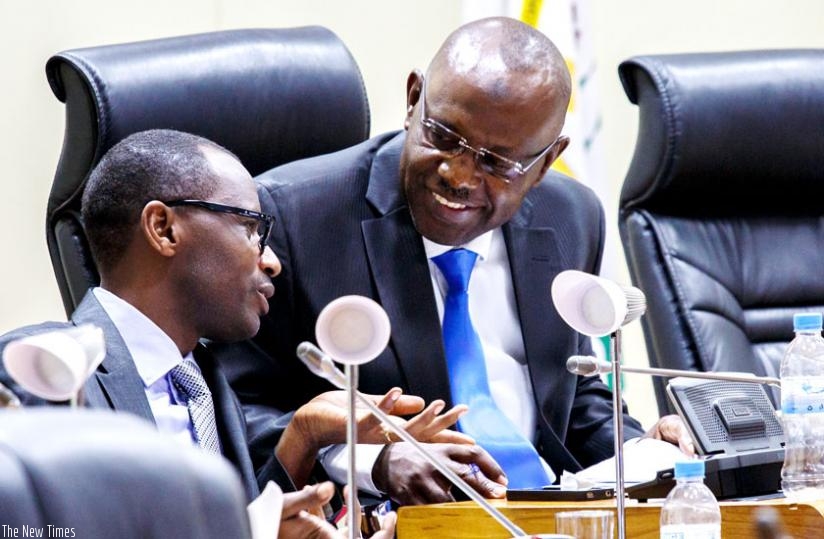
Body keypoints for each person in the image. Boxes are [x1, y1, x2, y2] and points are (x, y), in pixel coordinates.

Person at [214, 16, 693, 506]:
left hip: (545, 510)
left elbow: (573, 401)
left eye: (498, 162)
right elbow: (234, 412)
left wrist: (642, 451)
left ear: (546, 163)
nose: (458, 175)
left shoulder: (572, 215)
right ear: (413, 99)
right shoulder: (294, 218)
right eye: (444, 135)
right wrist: (373, 462)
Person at [0, 129, 467, 537]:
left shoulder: (205, 382)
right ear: (164, 229)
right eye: (251, 228)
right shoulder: (41, 369)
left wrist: (303, 439)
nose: (272, 261)